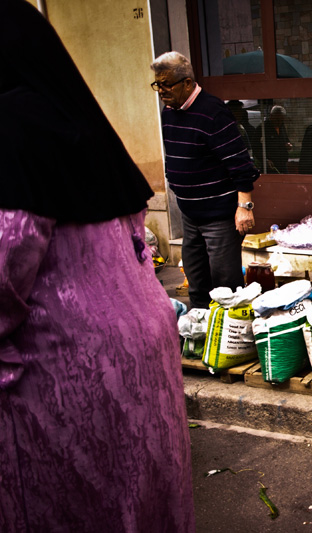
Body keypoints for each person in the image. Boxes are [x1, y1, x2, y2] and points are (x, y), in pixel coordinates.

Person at [0, 1, 194, 530]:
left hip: (70, 363)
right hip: (141, 345)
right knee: (142, 491)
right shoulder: (73, 120)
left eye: (167, 85)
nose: (162, 94)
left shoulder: (10, 127)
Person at [151, 51, 260, 308]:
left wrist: (244, 206)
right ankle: (202, 335)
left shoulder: (213, 112)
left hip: (219, 216)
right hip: (189, 213)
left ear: (187, 83)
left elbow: (239, 162)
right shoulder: (169, 113)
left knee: (225, 286)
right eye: (157, 84)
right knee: (196, 279)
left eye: (167, 84)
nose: (161, 91)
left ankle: (235, 342)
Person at [265, 104, 292, 172]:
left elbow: (286, 139)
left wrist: (288, 145)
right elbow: (256, 146)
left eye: (281, 120)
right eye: (277, 119)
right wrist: (265, 160)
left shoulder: (281, 127)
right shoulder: (263, 128)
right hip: (271, 165)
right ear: (271, 116)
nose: (279, 122)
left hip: (282, 163)